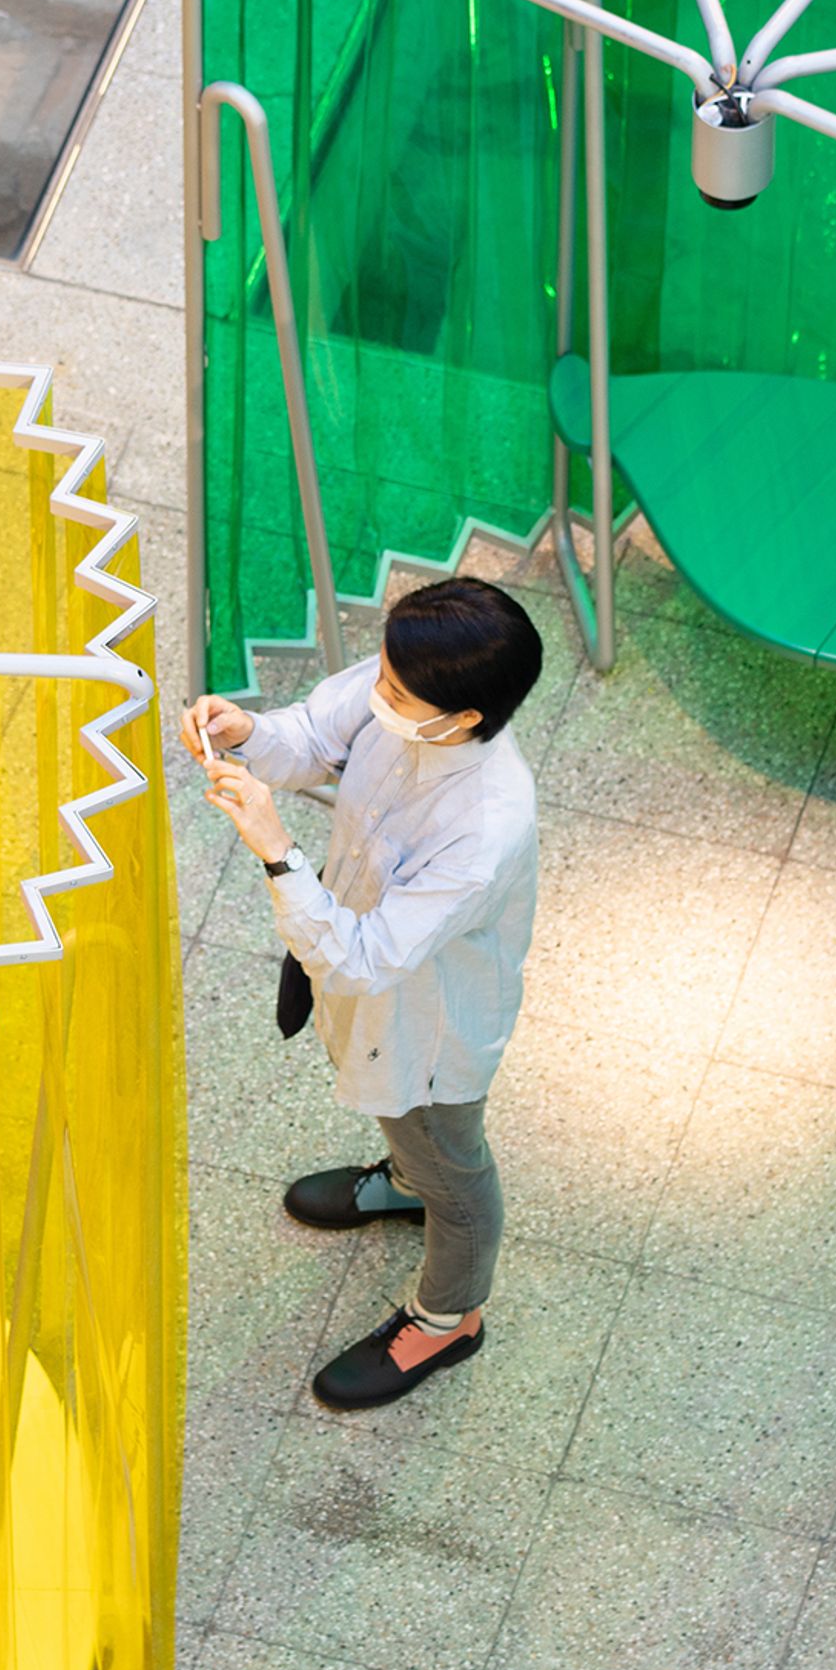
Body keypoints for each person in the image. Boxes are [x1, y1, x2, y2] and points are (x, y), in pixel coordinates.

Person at [185, 575, 544, 1409]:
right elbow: (317, 730)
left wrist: (278, 850)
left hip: (428, 1024)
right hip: (370, 978)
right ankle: (407, 1183)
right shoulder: (409, 687)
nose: (376, 692)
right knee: (413, 1136)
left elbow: (366, 960)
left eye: (394, 689)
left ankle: (450, 1315)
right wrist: (250, 731)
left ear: (463, 720)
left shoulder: (486, 828)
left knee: (452, 1161)